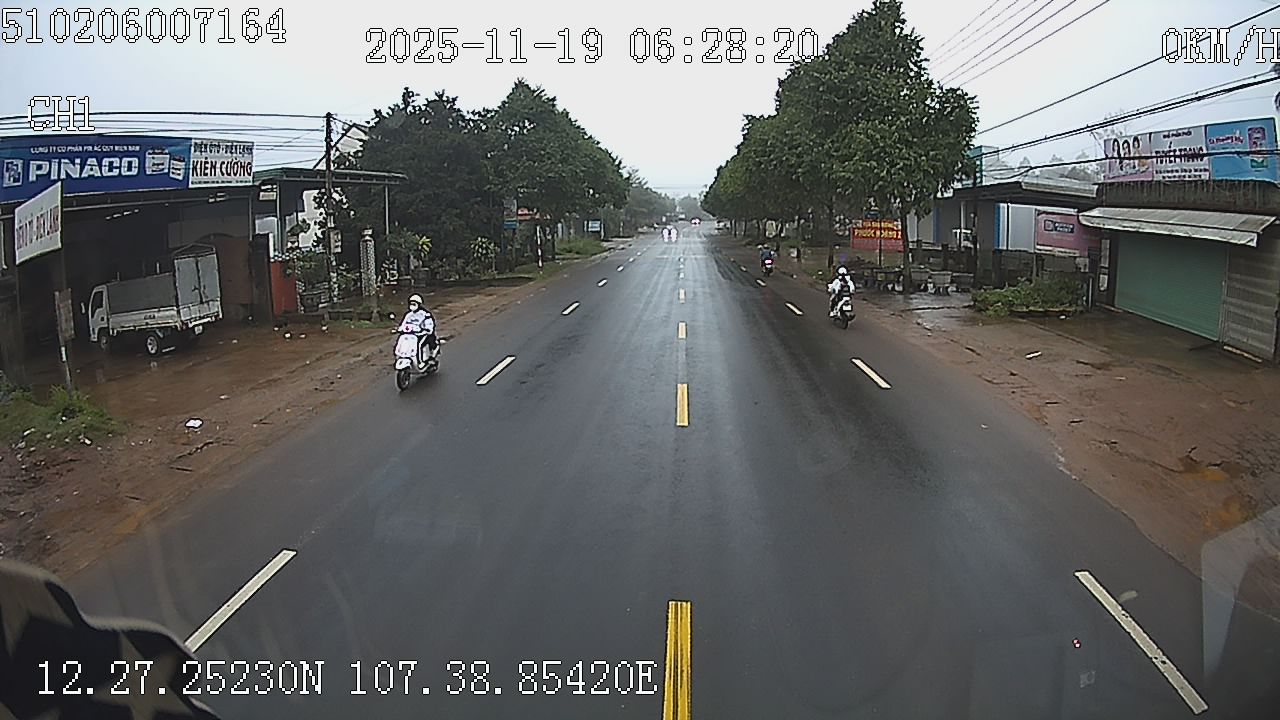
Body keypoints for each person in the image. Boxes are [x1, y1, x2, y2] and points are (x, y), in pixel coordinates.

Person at [401, 294, 438, 360]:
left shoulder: (425, 314)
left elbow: (429, 324)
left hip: (422, 334)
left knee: (418, 345)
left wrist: (427, 329)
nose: (412, 306)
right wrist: (399, 329)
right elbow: (403, 324)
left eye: (414, 304)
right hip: (411, 335)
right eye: (411, 304)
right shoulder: (408, 315)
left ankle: (421, 361)